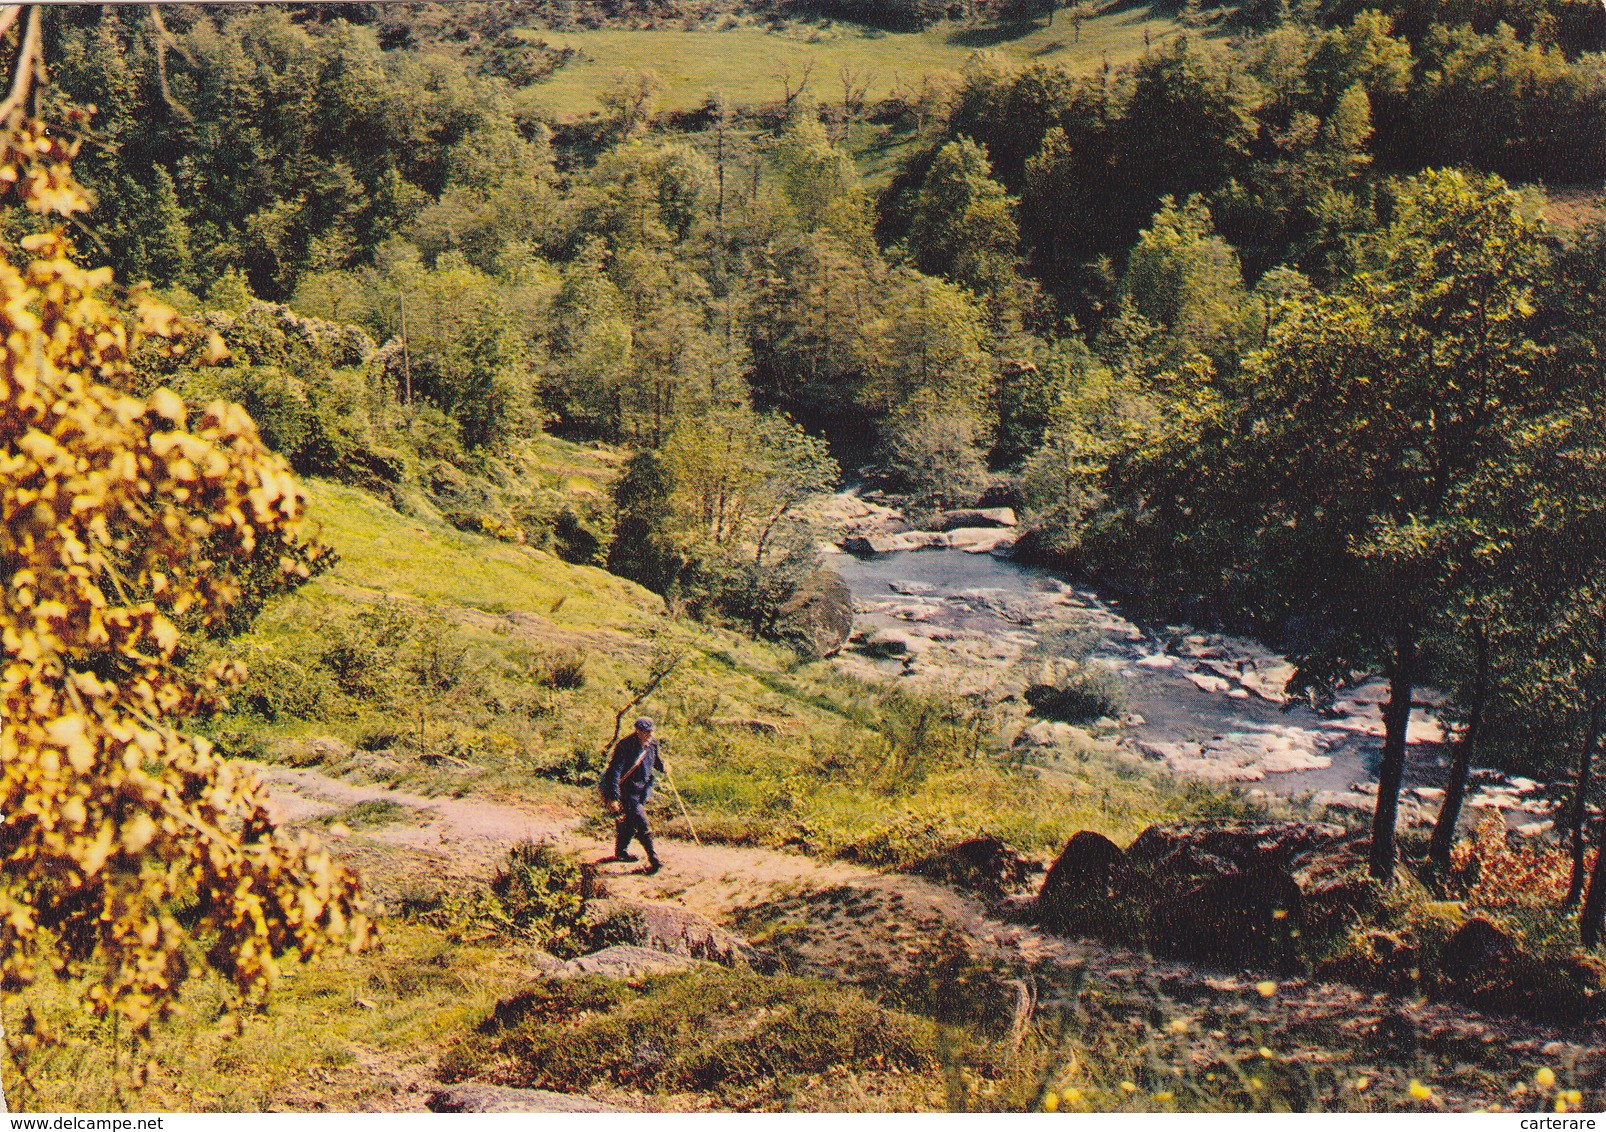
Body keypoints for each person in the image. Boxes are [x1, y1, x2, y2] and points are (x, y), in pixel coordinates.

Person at [601, 716, 664, 872]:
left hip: (643, 789)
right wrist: (614, 797)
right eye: (645, 732)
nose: (648, 735)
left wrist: (664, 767)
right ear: (637, 731)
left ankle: (621, 852)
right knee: (641, 821)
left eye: (650, 732)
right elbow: (614, 772)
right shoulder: (625, 745)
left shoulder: (652, 743)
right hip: (628, 790)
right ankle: (654, 859)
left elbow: (656, 762)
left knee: (630, 821)